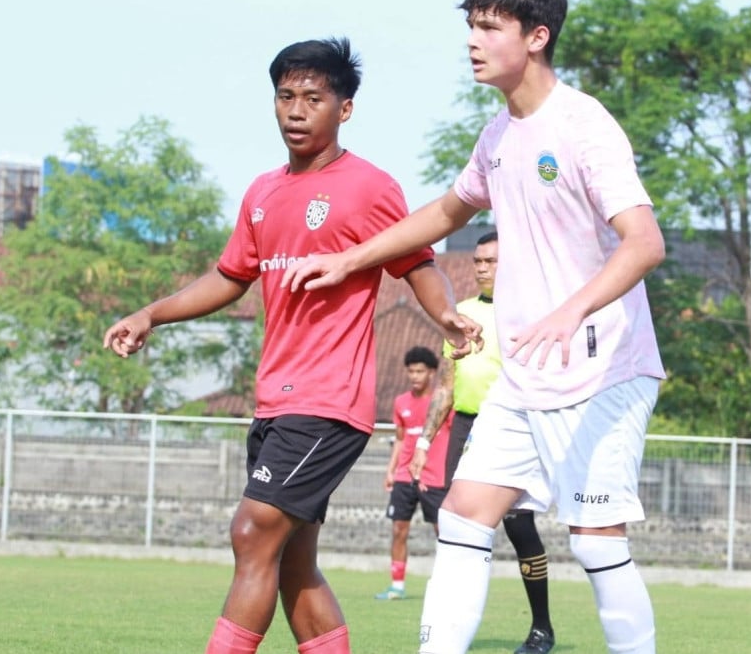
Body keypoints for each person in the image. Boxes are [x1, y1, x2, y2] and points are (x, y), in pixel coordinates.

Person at [283, 0, 665, 654]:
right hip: (526, 375)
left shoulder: (583, 126)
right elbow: (444, 211)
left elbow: (645, 243)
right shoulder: (497, 136)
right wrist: (350, 259)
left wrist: (568, 310)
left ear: (537, 36)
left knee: (595, 537)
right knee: (460, 515)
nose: (472, 40)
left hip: (604, 367)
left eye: (489, 26)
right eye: (470, 25)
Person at [103, 37, 478, 654]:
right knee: (292, 562)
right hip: (275, 402)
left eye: (313, 97)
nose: (295, 110)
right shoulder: (261, 193)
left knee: (252, 532)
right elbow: (230, 277)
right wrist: (152, 313)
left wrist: (446, 316)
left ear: (345, 108)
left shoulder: (369, 187)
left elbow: (418, 263)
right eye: (285, 96)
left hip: (330, 403)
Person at [409, 231, 555, 654]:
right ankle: (448, 630)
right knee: (455, 524)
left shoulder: (529, 313)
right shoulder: (461, 314)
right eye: (477, 261)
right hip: (466, 426)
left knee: (520, 526)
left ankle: (541, 627)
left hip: (516, 426)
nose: (482, 268)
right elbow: (447, 386)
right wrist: (422, 442)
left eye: (491, 261)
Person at [377, 345, 452, 601]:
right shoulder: (400, 402)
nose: (415, 377)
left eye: (420, 371)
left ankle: (448, 584)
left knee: (443, 532)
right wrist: (391, 470)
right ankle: (397, 585)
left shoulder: (443, 403)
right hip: (404, 477)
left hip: (434, 477)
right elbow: (399, 440)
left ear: (432, 373)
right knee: (399, 529)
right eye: (411, 372)